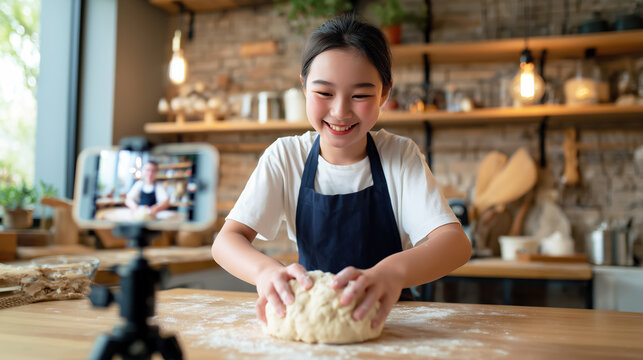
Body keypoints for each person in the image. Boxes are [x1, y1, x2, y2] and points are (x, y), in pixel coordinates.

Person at [211, 14, 471, 329]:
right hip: (312, 320)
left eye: (360, 95)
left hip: (391, 321)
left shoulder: (400, 156)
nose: (340, 111)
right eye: (324, 93)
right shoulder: (286, 157)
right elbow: (226, 241)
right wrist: (265, 271)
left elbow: (455, 244)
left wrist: (389, 275)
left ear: (384, 94)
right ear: (305, 87)